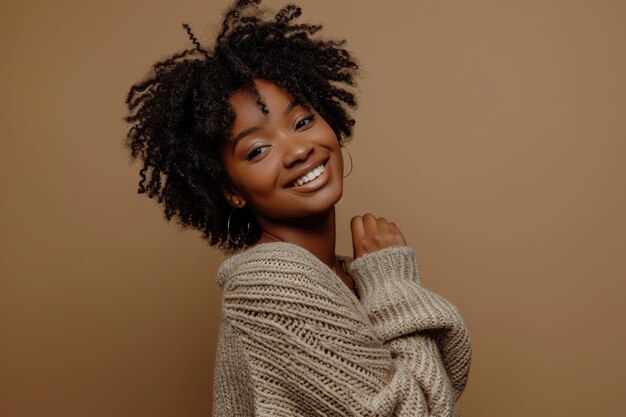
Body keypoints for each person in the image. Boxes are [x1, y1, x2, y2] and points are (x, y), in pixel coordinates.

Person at [123, 0, 471, 415]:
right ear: (230, 190)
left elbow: (439, 384)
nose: (297, 150)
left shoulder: (341, 274)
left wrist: (380, 284)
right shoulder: (274, 281)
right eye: (258, 150)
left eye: (303, 122)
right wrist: (392, 282)